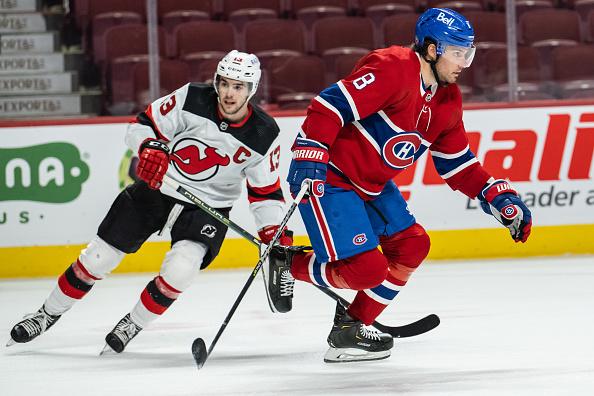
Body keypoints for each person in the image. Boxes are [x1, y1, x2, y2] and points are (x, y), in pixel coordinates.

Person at [263, 8, 532, 363]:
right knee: (366, 270)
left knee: (412, 246)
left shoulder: (448, 100)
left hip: (371, 185)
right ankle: (289, 263)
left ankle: (351, 326)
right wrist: (312, 149)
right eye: (457, 52)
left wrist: (495, 193)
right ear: (432, 49)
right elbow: (330, 104)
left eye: (468, 53)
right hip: (328, 176)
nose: (464, 62)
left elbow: (457, 164)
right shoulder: (393, 66)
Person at [7, 50, 293, 353]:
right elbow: (141, 124)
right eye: (224, 83)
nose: (228, 93)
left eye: (238, 87)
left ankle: (133, 322)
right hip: (157, 188)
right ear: (216, 81)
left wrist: (272, 230)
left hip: (208, 209)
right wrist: (149, 146)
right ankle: (45, 314)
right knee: (97, 258)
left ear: (251, 89)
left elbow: (266, 192)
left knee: (181, 270)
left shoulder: (264, 132)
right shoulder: (192, 97)